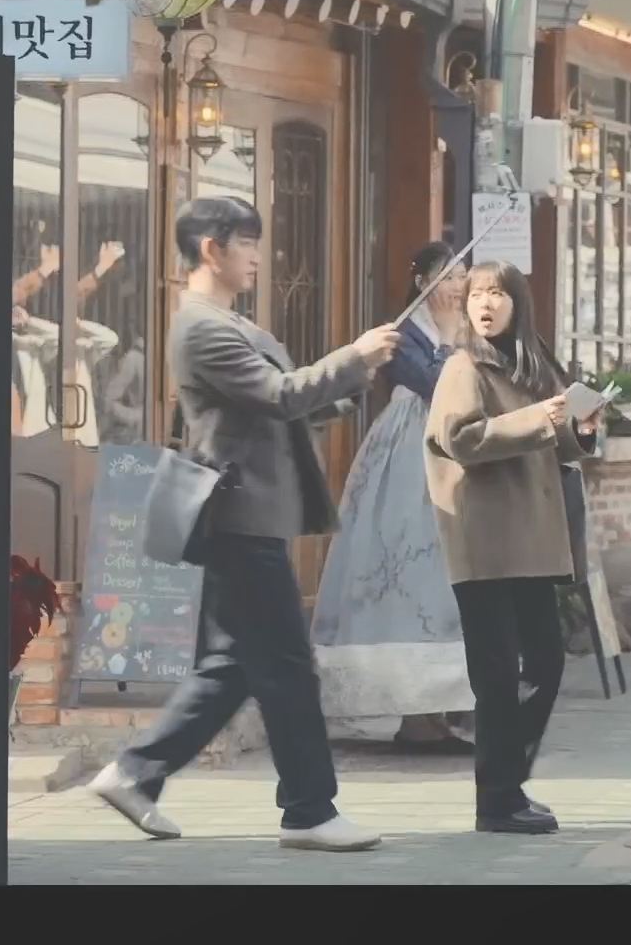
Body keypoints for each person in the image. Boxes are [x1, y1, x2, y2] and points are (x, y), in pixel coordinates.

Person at [87, 196, 401, 853]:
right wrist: (353, 355)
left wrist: (352, 380)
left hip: (250, 514)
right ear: (212, 248)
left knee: (232, 665)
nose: (259, 256)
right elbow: (280, 395)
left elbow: (282, 406)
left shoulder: (227, 324)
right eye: (249, 243)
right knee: (286, 666)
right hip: (239, 515)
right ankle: (309, 811)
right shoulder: (201, 328)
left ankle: (136, 773)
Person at [425, 261, 601, 835]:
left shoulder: (532, 365)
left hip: (533, 540)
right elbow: (459, 438)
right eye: (477, 294)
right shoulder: (463, 366)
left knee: (544, 664)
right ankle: (496, 800)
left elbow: (556, 443)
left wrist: (581, 428)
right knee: (498, 675)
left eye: (498, 293)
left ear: (518, 304)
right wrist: (537, 419)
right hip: (485, 541)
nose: (486, 303)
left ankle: (508, 783)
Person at [312, 240, 476, 750]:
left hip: (457, 450)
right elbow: (433, 384)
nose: (458, 285)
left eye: (462, 275)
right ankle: (413, 712)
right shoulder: (404, 334)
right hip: (408, 452)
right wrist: (454, 344)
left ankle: (449, 703)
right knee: (407, 563)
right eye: (448, 276)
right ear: (423, 282)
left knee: (455, 570)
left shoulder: (468, 328)